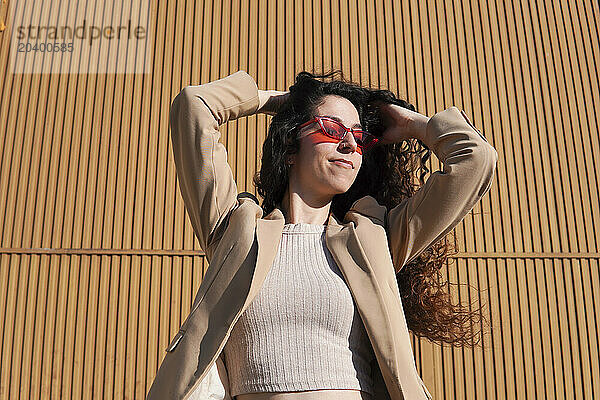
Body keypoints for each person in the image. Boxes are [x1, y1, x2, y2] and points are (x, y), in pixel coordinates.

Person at [146, 70, 498, 400]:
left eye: (359, 137)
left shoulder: (374, 238)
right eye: (332, 128)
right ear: (289, 147)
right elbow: (194, 106)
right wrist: (277, 102)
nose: (349, 144)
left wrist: (412, 124)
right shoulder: (236, 231)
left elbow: (476, 160)